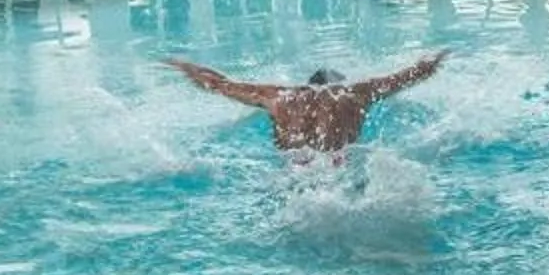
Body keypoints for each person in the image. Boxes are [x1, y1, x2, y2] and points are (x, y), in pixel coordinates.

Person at [164, 51, 449, 157]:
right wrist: (433, 59)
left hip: (295, 171)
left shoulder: (279, 97)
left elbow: (219, 84)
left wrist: (187, 67)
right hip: (339, 168)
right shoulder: (356, 94)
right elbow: (409, 75)